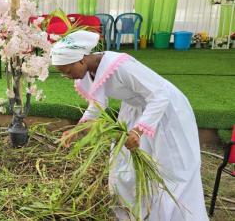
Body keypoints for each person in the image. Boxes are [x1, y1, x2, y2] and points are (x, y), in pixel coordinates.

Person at [51, 31, 208, 220]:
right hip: (136, 110)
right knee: (125, 166)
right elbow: (98, 104)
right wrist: (77, 130)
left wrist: (138, 130)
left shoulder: (121, 67)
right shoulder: (90, 71)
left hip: (165, 112)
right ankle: (140, 214)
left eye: (68, 71)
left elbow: (160, 95)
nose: (68, 77)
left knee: (171, 169)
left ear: (82, 60)